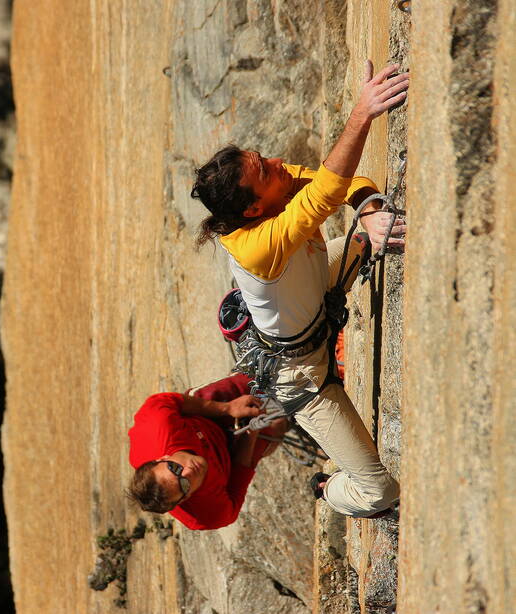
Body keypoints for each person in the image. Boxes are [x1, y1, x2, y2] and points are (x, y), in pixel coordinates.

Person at [188, 61, 409, 517]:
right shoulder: (253, 247)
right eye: (265, 171)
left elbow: (342, 185)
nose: (276, 163)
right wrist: (362, 112)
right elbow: (326, 192)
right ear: (252, 208)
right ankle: (328, 490)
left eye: (262, 158)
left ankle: (365, 235)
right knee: (379, 493)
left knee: (374, 233)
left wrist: (368, 209)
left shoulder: (273, 187)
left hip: (313, 285)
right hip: (302, 373)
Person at [127, 373, 289, 530]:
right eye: (184, 485)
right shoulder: (206, 514)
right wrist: (251, 433)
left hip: (204, 414)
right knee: (277, 423)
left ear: (162, 458)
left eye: (175, 468)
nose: (189, 472)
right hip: (231, 457)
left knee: (256, 378)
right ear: (186, 498)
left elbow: (171, 401)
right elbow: (239, 477)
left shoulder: (158, 426)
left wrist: (227, 408)